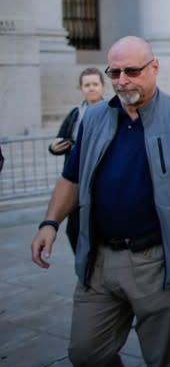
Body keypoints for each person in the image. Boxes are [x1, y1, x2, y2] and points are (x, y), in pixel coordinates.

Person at [31, 36, 170, 367]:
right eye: (114, 72)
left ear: (154, 68)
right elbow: (71, 177)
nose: (122, 81)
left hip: (157, 263)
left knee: (166, 361)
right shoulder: (92, 119)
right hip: (99, 261)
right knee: (86, 354)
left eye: (132, 71)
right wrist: (50, 222)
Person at [47, 67, 106, 252]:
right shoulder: (75, 115)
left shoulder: (112, 112)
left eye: (95, 84)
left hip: (102, 180)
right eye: (87, 85)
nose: (91, 88)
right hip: (77, 180)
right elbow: (59, 140)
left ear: (103, 86)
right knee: (74, 229)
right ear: (81, 88)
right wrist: (54, 147)